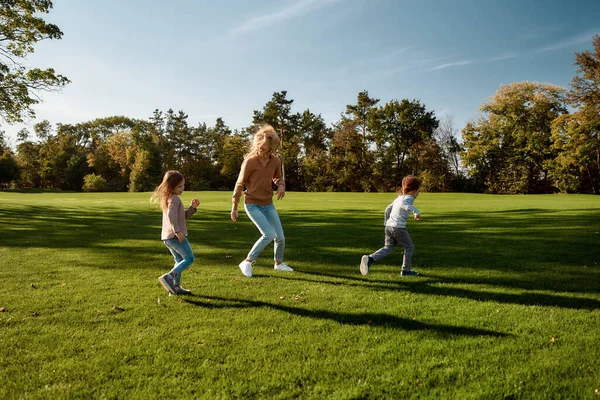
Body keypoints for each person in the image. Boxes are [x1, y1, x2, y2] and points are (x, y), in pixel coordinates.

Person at [231, 124, 293, 277]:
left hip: (268, 204)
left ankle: (278, 264)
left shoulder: (275, 161)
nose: (263, 149)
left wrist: (281, 185)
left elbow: (278, 176)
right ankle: (247, 261)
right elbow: (239, 184)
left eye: (267, 147)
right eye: (261, 146)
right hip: (252, 204)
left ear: (272, 147)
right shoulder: (250, 162)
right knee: (268, 234)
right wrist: (234, 206)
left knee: (280, 238)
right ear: (257, 143)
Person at [360, 175, 422, 277]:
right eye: (419, 191)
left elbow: (388, 209)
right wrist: (416, 211)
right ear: (414, 190)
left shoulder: (399, 197)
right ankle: (406, 270)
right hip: (398, 227)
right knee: (409, 247)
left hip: (389, 226)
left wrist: (386, 223)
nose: (418, 193)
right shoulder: (409, 198)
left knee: (388, 248)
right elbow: (405, 206)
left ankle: (370, 259)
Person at [151, 170, 200, 294]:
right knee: (189, 258)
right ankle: (169, 277)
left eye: (183, 185)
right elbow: (171, 216)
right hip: (175, 236)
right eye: (179, 186)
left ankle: (176, 287)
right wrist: (178, 231)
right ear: (171, 186)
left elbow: (181, 216)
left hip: (167, 237)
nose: (182, 188)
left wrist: (192, 208)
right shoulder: (174, 199)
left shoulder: (168, 198)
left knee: (179, 260)